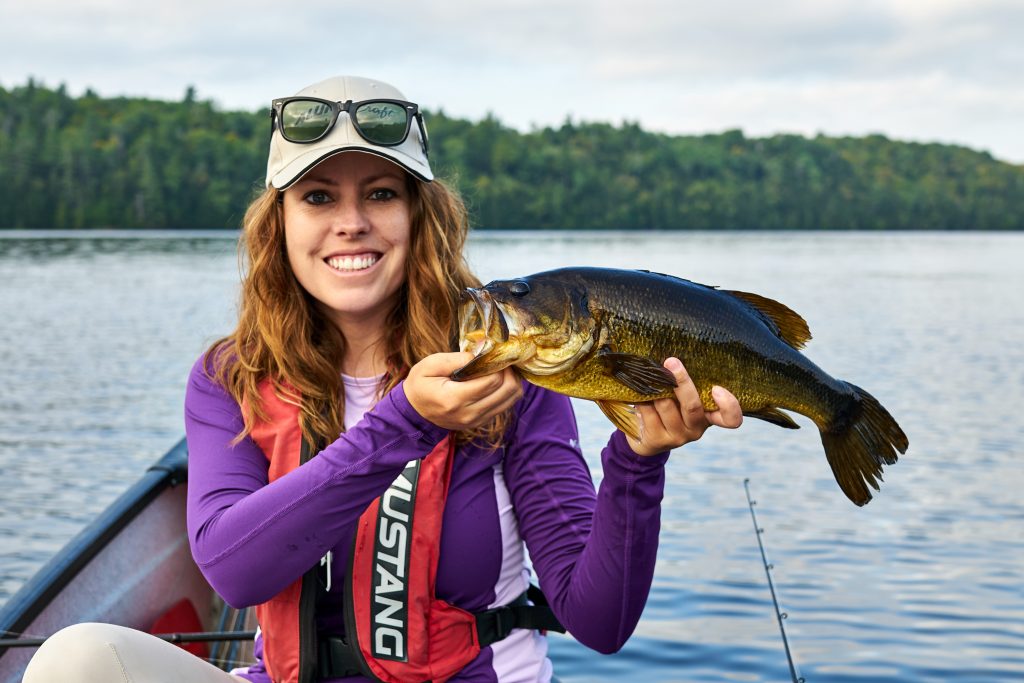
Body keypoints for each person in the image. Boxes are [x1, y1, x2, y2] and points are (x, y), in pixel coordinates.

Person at [23, 75, 742, 683]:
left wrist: (638, 461)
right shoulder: (229, 377)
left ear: (418, 215)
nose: (351, 222)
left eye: (379, 193)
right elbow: (234, 575)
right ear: (279, 222)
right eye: (317, 197)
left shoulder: (515, 369)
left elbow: (599, 619)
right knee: (76, 658)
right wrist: (408, 422)